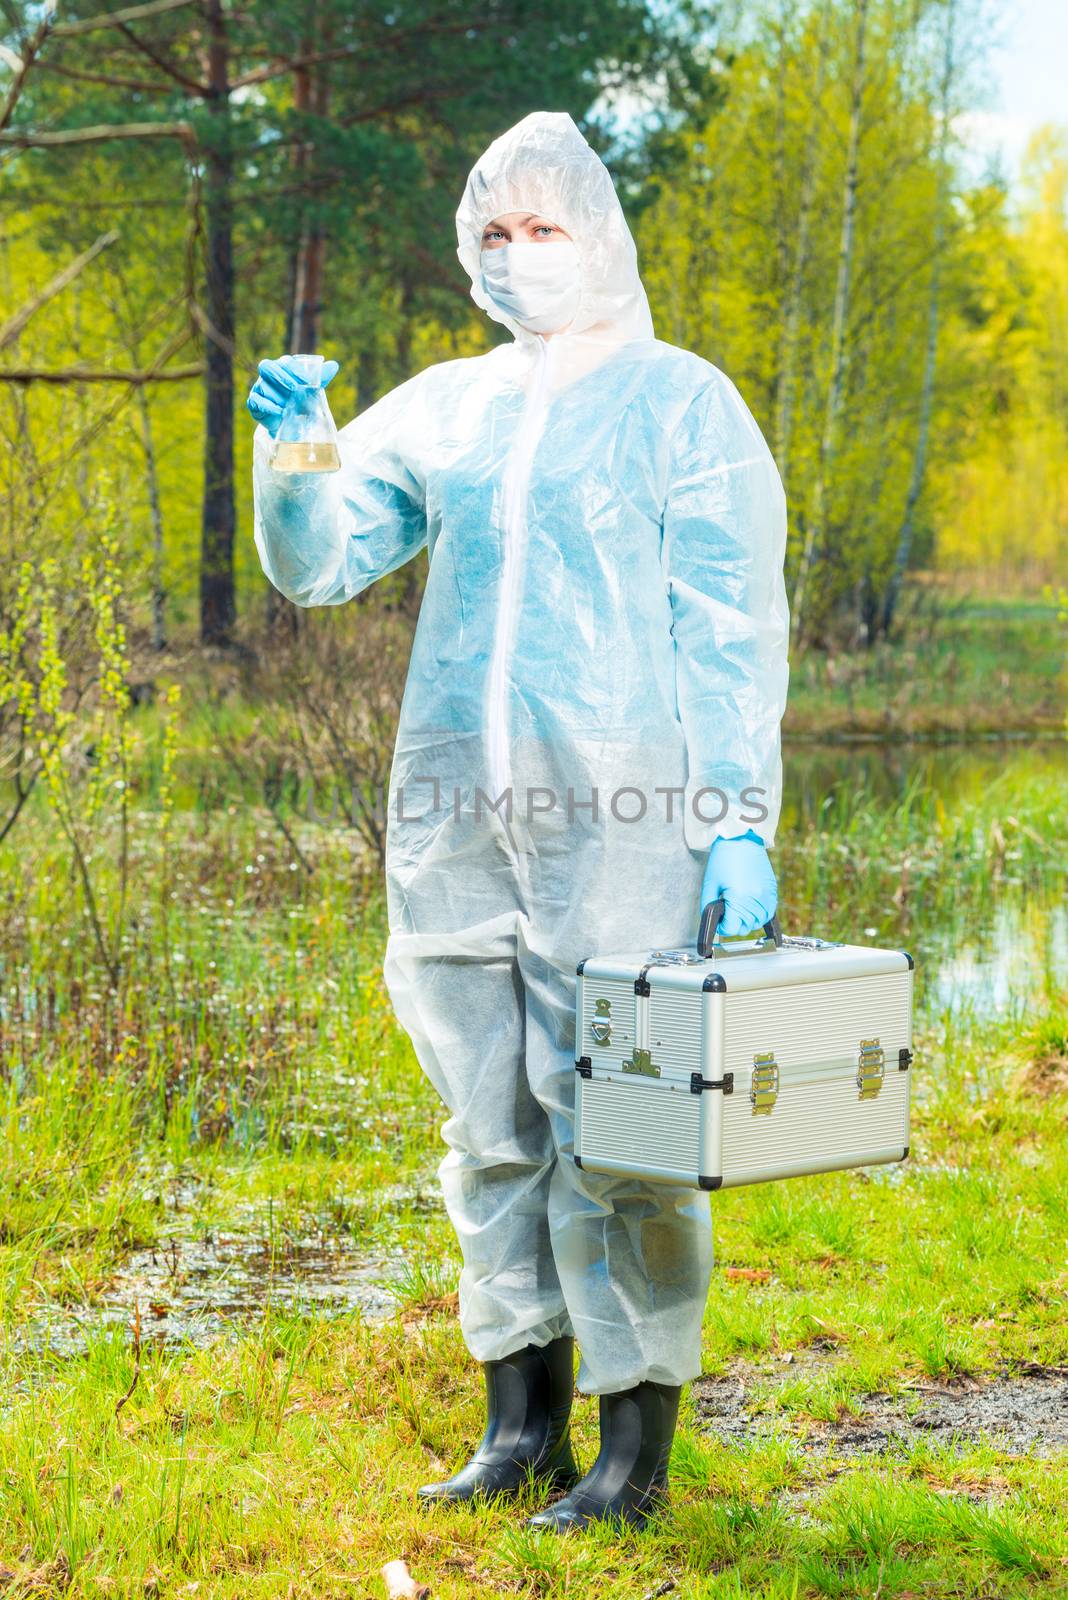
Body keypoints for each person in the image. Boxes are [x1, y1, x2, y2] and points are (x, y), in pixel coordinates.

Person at [248, 110, 789, 1532]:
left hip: (628, 827)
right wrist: (300, 456)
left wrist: (736, 818)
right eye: (494, 231)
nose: (519, 251)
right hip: (457, 822)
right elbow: (324, 566)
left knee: (620, 1130)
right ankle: (519, 1428)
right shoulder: (449, 407)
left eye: (544, 225)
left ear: (599, 232)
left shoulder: (685, 404)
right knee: (488, 1120)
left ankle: (634, 1451)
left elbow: (731, 625)